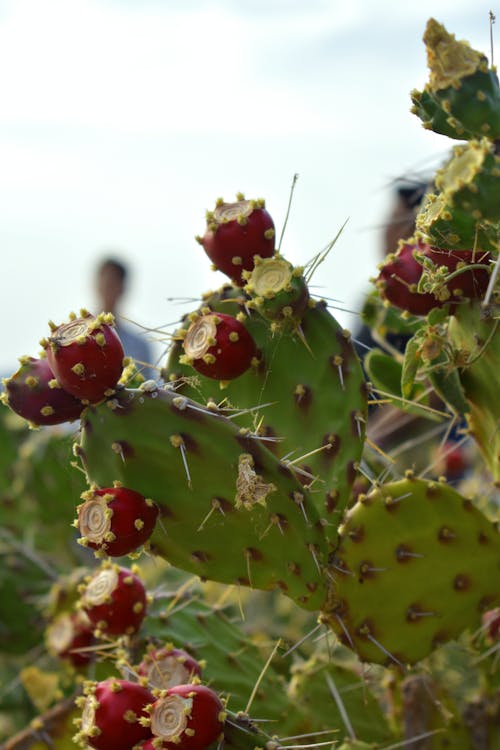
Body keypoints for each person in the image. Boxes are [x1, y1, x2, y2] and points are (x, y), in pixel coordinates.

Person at [95, 257, 155, 381]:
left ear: (122, 288)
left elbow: (149, 390)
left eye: (112, 284)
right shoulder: (75, 342)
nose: (107, 289)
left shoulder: (140, 345)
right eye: (104, 282)